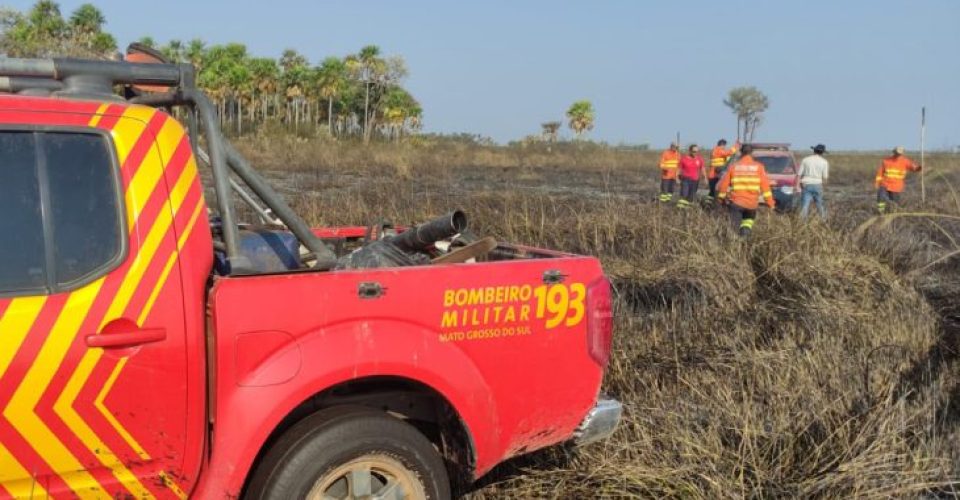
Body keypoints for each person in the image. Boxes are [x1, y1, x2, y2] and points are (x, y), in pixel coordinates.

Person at [716, 144, 775, 237]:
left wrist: (720, 198)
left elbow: (724, 185)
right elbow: (765, 187)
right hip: (751, 204)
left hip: (736, 202)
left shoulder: (734, 166)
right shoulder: (759, 167)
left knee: (734, 228)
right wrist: (770, 203)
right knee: (747, 223)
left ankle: (734, 246)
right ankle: (744, 240)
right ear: (752, 153)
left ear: (741, 152)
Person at [875, 146, 922, 214]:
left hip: (896, 187)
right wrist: (877, 183)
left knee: (895, 204)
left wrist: (919, 168)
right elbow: (880, 173)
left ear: (902, 154)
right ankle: (880, 212)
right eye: (897, 153)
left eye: (899, 153)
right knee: (880, 198)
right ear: (894, 152)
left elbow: (913, 167)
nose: (898, 155)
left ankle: (893, 215)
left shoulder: (905, 161)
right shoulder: (886, 161)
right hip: (885, 184)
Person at [797, 143, 829, 219]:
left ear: (814, 150)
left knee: (805, 205)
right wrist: (823, 187)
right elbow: (825, 178)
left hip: (806, 184)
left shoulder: (805, 160)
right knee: (820, 205)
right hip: (818, 184)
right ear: (822, 153)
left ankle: (802, 223)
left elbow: (799, 174)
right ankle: (823, 221)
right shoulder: (824, 162)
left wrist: (797, 186)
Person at [677, 144, 706, 209]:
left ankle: (688, 209)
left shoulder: (699, 159)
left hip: (695, 180)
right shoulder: (683, 159)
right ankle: (680, 209)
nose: (695, 153)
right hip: (685, 180)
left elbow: (702, 168)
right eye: (694, 151)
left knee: (691, 196)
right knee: (684, 194)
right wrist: (677, 178)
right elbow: (679, 168)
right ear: (690, 151)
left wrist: (705, 178)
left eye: (697, 151)